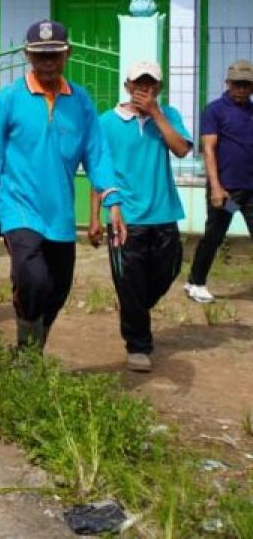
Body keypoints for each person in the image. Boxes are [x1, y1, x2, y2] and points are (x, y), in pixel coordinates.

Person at [0, 19, 126, 351]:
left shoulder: (81, 102)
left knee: (58, 287)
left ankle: (32, 346)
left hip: (60, 214)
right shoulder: (10, 99)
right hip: (19, 207)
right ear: (28, 55)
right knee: (34, 279)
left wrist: (112, 201)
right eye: (40, 55)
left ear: (68, 54)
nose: (48, 62)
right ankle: (27, 354)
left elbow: (97, 154)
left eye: (54, 54)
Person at [90, 60, 192, 372]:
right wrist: (95, 218)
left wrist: (156, 114)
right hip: (125, 219)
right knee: (130, 282)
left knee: (167, 270)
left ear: (158, 88)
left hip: (164, 213)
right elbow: (99, 171)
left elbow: (181, 150)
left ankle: (134, 307)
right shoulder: (107, 122)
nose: (144, 90)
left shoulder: (169, 115)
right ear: (127, 86)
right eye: (139, 84)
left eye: (150, 85)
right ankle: (138, 346)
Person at [185, 59, 253, 303]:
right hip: (226, 193)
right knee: (215, 235)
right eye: (237, 84)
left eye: (246, 84)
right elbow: (209, 148)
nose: (242, 89)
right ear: (227, 83)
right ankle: (196, 283)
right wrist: (215, 186)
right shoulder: (215, 110)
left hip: (250, 193)